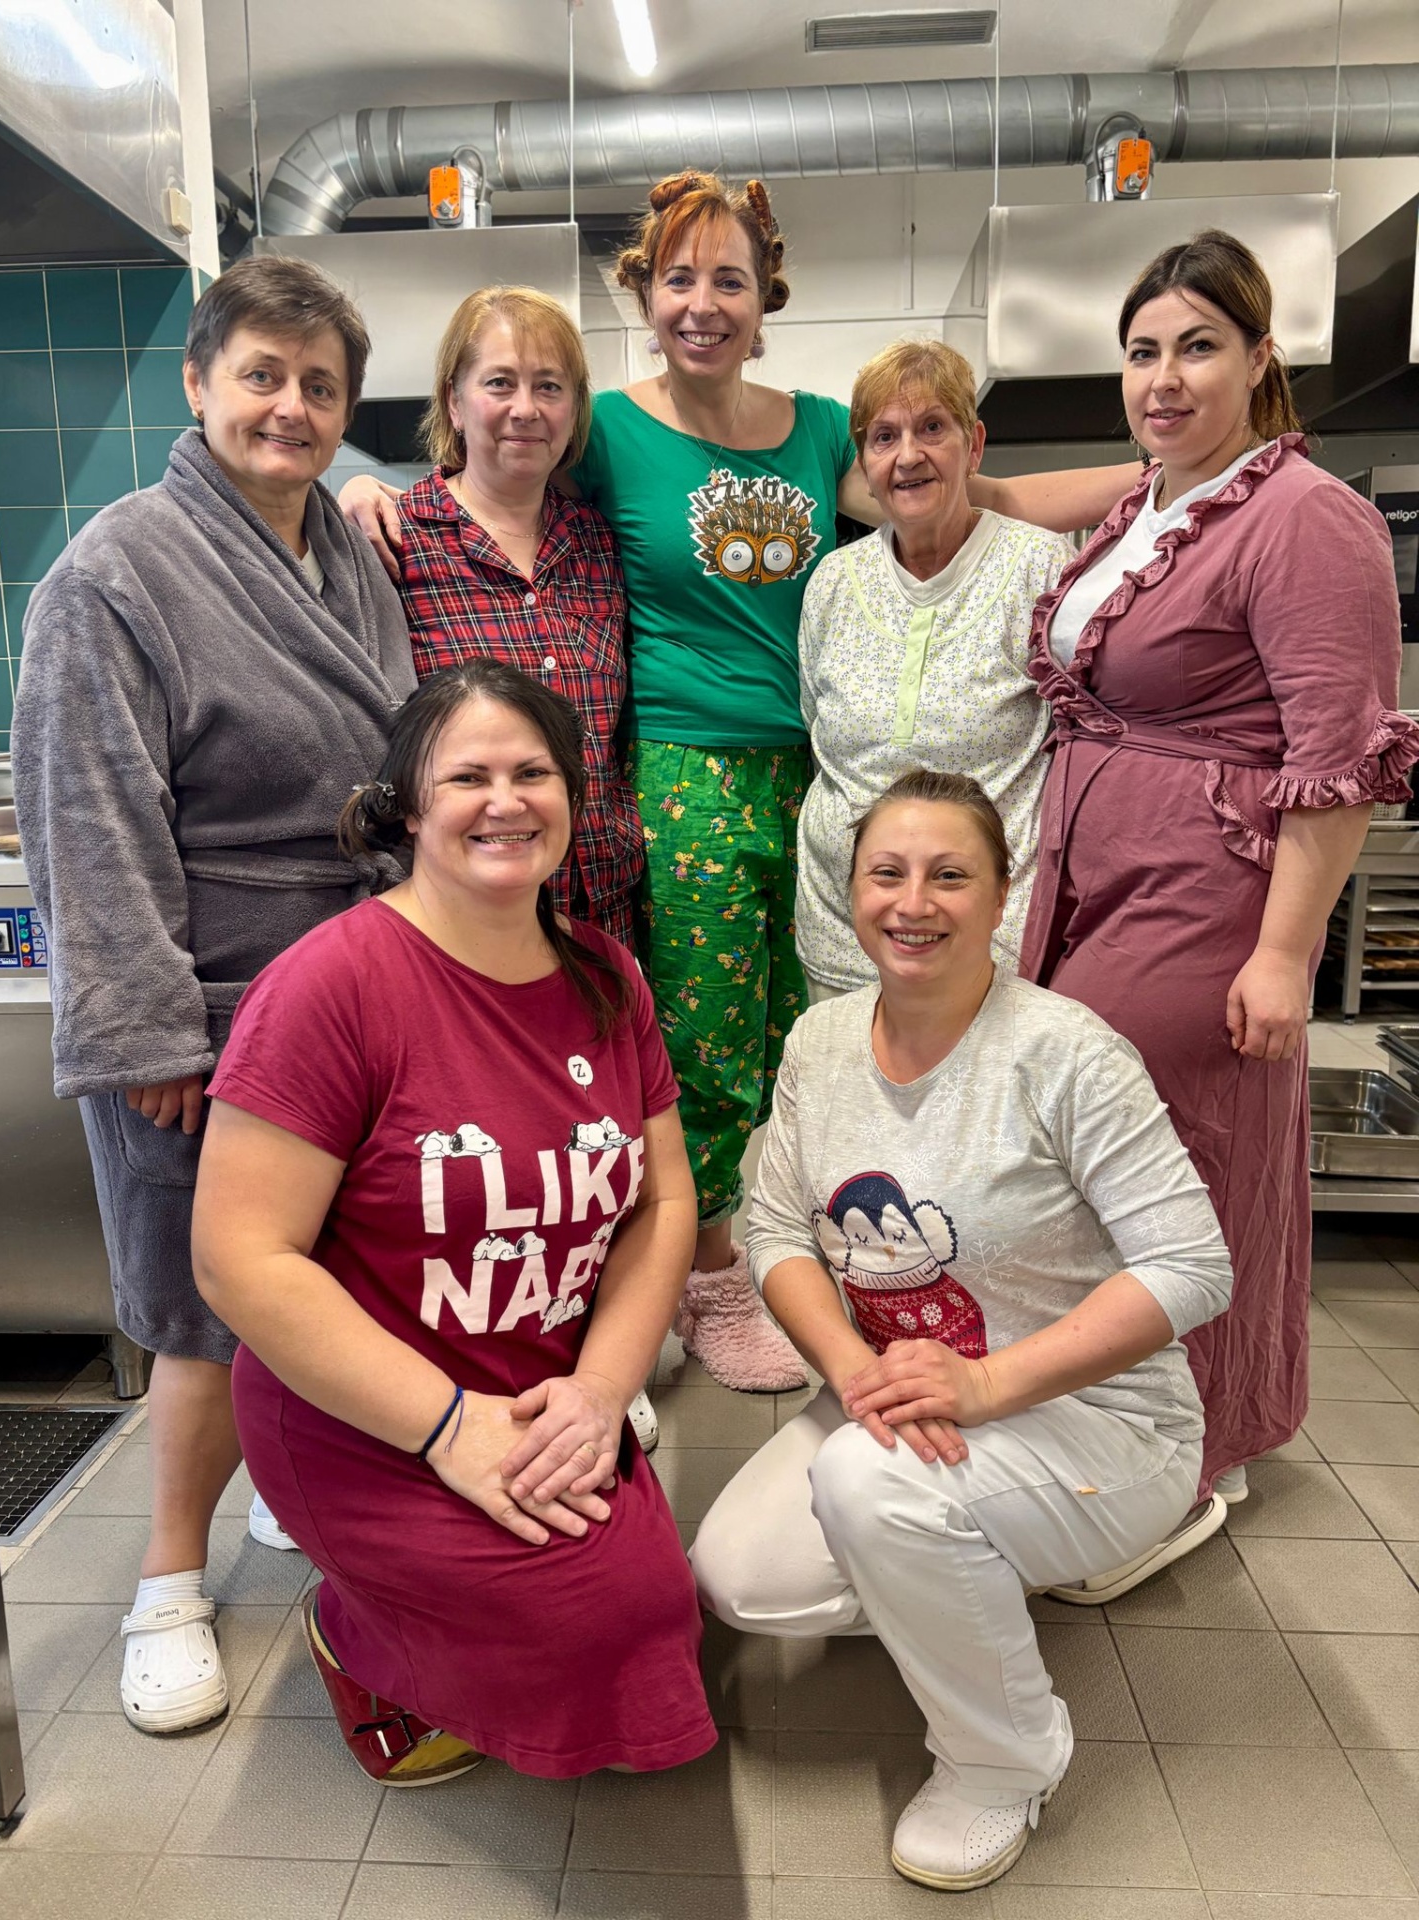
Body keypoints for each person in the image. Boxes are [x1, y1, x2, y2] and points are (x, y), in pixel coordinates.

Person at [343, 172, 1140, 1393]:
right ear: (646, 297)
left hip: (811, 776)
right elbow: (498, 470)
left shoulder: (821, 429)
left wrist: (1168, 482)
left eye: (729, 279)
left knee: (788, 1035)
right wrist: (367, 491)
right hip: (681, 769)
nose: (703, 303)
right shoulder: (609, 429)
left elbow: (969, 497)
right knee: (703, 1043)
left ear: (766, 299)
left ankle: (782, 1257)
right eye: (678, 278)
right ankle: (707, 1280)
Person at [690, 770, 1232, 1893]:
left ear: (1001, 894)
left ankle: (1002, 1761)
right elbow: (779, 1230)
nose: (913, 902)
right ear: (849, 890)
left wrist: (988, 1389)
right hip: (902, 1399)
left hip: (1099, 1421)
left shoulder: (1065, 1053)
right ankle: (973, 1558)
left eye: (949, 875)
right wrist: (852, 1366)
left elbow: (1192, 1267)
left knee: (868, 1489)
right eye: (886, 873)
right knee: (745, 1582)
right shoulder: (822, 1040)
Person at [10, 256, 417, 1735]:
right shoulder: (114, 572)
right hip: (209, 1000)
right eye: (261, 375)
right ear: (197, 383)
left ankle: (280, 1498)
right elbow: (86, 818)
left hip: (350, 985)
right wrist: (149, 1031)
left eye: (320, 385)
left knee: (324, 1282)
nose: (290, 407)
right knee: (202, 1310)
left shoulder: (345, 552)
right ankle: (166, 1589)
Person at [192, 659, 715, 1782]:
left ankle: (439, 1624)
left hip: (538, 1382)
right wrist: (446, 1428)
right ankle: (359, 1636)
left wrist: (600, 1389)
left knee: (654, 1613)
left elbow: (663, 1201)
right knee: (606, 1624)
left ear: (573, 798)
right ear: (407, 807)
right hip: (365, 1410)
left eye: (534, 773)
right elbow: (239, 1260)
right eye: (468, 776)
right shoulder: (331, 988)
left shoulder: (606, 975)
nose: (505, 801)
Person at [1020, 228, 1419, 1593]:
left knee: (1179, 1169)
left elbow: (1343, 755)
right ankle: (1125, 1423)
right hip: (1095, 879)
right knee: (1103, 1165)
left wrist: (1285, 953)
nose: (1165, 378)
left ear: (1262, 358)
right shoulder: (1154, 504)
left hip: (1206, 890)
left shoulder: (1308, 517)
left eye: (1199, 347)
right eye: (1143, 352)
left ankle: (1192, 1462)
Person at [797, 338, 1072, 997]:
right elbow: (816, 727)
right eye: (884, 436)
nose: (908, 456)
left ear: (973, 445)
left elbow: (1077, 746)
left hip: (984, 948)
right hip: (840, 937)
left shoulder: (1041, 569)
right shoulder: (832, 582)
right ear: (864, 463)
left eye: (931, 428)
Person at [387, 285, 644, 948]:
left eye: (549, 387)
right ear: (454, 401)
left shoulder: (599, 542)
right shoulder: (396, 542)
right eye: (499, 382)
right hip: (464, 922)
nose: (525, 409)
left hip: (605, 913)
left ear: (574, 409)